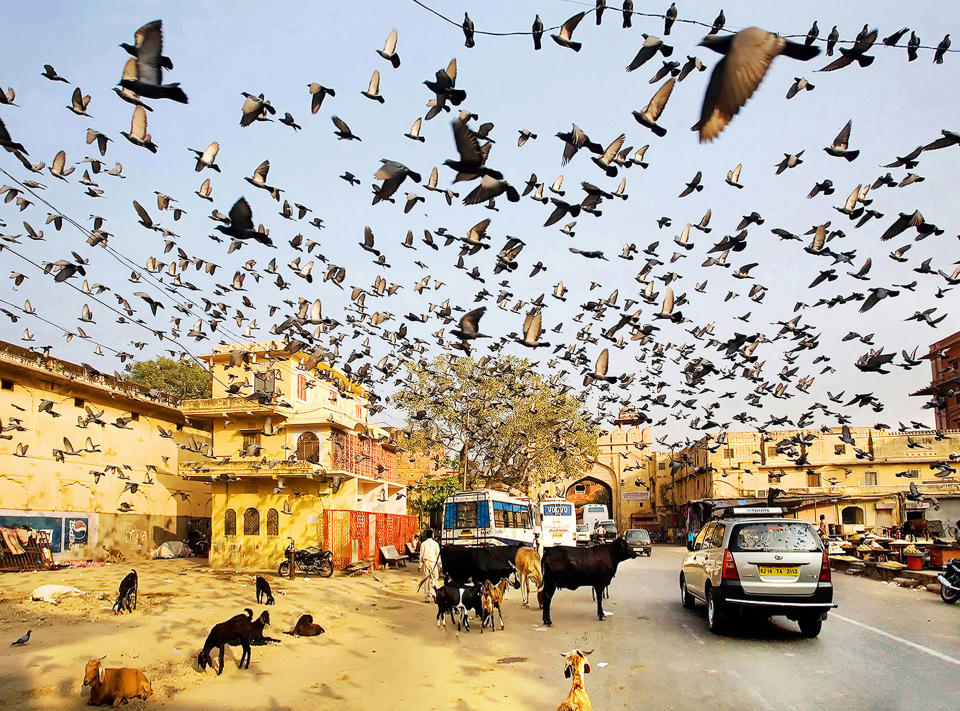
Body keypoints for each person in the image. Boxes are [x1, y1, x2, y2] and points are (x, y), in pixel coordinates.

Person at [418, 529, 441, 603]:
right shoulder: (435, 544)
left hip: (426, 563)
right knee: (434, 579)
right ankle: (434, 593)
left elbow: (421, 556)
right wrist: (439, 564)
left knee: (426, 580)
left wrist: (420, 565)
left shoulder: (423, 544)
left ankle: (427, 596)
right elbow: (437, 555)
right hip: (434, 563)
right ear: (432, 535)